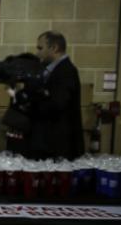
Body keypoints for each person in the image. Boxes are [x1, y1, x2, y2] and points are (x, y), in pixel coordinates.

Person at [21, 31, 84, 160]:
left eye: (40, 48)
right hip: (46, 144)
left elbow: (57, 104)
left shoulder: (66, 71)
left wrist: (34, 99)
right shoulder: (48, 69)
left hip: (57, 147)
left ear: (54, 48)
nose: (37, 53)